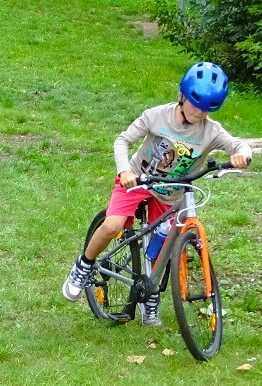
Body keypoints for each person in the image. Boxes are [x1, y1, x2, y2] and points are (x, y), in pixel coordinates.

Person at [62, 62, 252, 325]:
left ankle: (151, 296)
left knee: (165, 242)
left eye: (207, 109)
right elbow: (123, 140)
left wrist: (243, 154)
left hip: (171, 194)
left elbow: (237, 144)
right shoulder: (157, 116)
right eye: (195, 105)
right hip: (137, 181)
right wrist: (124, 171)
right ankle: (83, 265)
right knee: (113, 224)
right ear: (182, 96)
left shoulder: (211, 131)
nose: (199, 113)